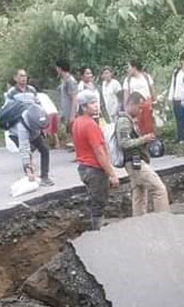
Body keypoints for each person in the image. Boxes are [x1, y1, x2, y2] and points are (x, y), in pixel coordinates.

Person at [116, 92, 170, 216]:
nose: (140, 110)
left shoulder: (129, 120)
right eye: (139, 107)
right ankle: (165, 219)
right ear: (130, 104)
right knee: (159, 189)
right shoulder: (124, 121)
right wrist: (143, 139)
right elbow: (124, 143)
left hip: (134, 162)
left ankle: (139, 222)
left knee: (139, 193)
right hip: (135, 162)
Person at [73, 90, 119, 229]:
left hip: (83, 167)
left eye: (96, 102)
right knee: (99, 204)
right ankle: (97, 233)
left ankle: (96, 229)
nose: (96, 105)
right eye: (92, 103)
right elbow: (99, 152)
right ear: (83, 106)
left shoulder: (77, 122)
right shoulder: (90, 125)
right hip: (94, 169)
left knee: (94, 200)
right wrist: (112, 174)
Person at [123, 59, 156, 136]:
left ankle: (151, 140)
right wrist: (126, 109)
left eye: (129, 67)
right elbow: (126, 95)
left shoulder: (146, 76)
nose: (127, 69)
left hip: (147, 104)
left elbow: (152, 89)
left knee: (149, 125)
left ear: (134, 68)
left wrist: (155, 101)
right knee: (138, 126)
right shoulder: (127, 80)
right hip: (135, 107)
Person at [56, 60, 79, 137]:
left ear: (60, 68)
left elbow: (74, 98)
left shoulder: (70, 81)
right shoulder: (64, 81)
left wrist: (72, 115)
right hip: (65, 113)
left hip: (71, 113)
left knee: (74, 135)